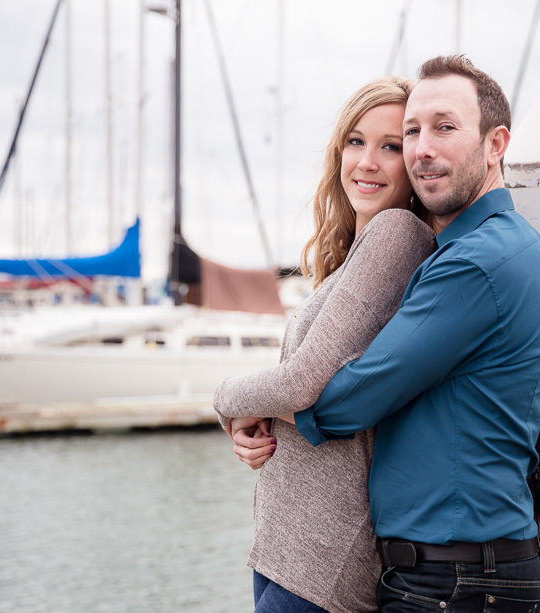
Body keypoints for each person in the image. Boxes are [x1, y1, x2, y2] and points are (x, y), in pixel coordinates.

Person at [292, 55, 540, 612]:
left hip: (458, 581)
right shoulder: (470, 248)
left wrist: (273, 410)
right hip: (452, 576)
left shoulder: (478, 262)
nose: (422, 148)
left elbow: (359, 395)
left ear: (496, 145)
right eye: (411, 131)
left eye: (445, 127)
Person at [213, 76, 437, 613]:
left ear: (413, 164)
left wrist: (225, 401)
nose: (367, 161)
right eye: (356, 141)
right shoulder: (356, 252)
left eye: (390, 147)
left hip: (325, 551)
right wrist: (253, 425)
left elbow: (303, 382)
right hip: (286, 543)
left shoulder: (397, 234)